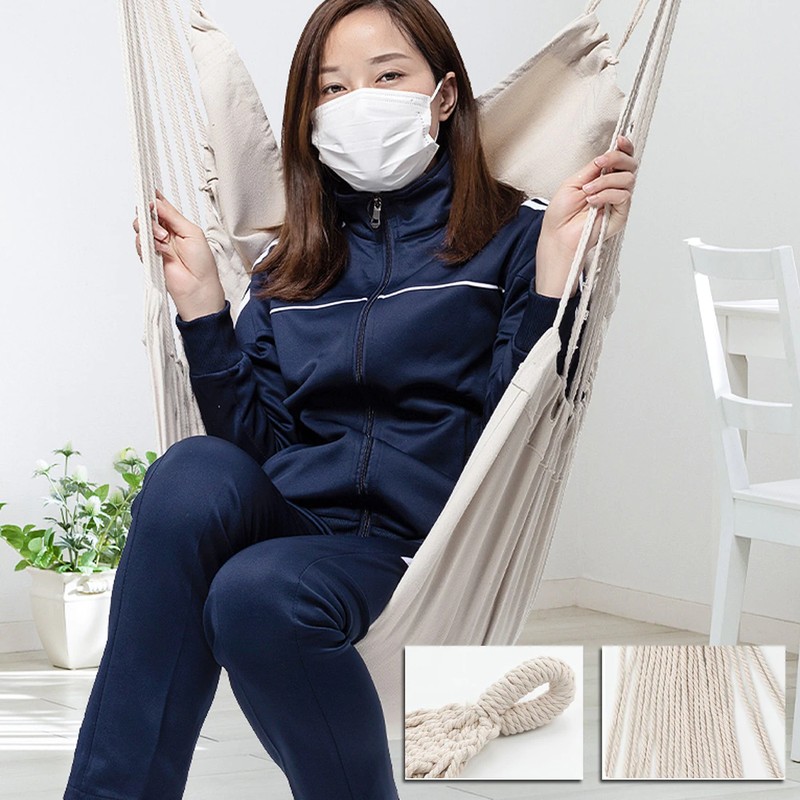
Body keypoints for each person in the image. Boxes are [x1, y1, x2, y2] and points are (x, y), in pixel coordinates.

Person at [63, 1, 637, 798]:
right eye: (332, 88)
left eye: (388, 75)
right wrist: (202, 308)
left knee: (257, 592)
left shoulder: (518, 238)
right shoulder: (289, 267)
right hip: (295, 527)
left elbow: (520, 426)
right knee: (191, 473)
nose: (359, 101)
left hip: (425, 551)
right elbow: (254, 451)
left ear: (443, 95)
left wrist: (554, 282)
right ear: (310, 118)